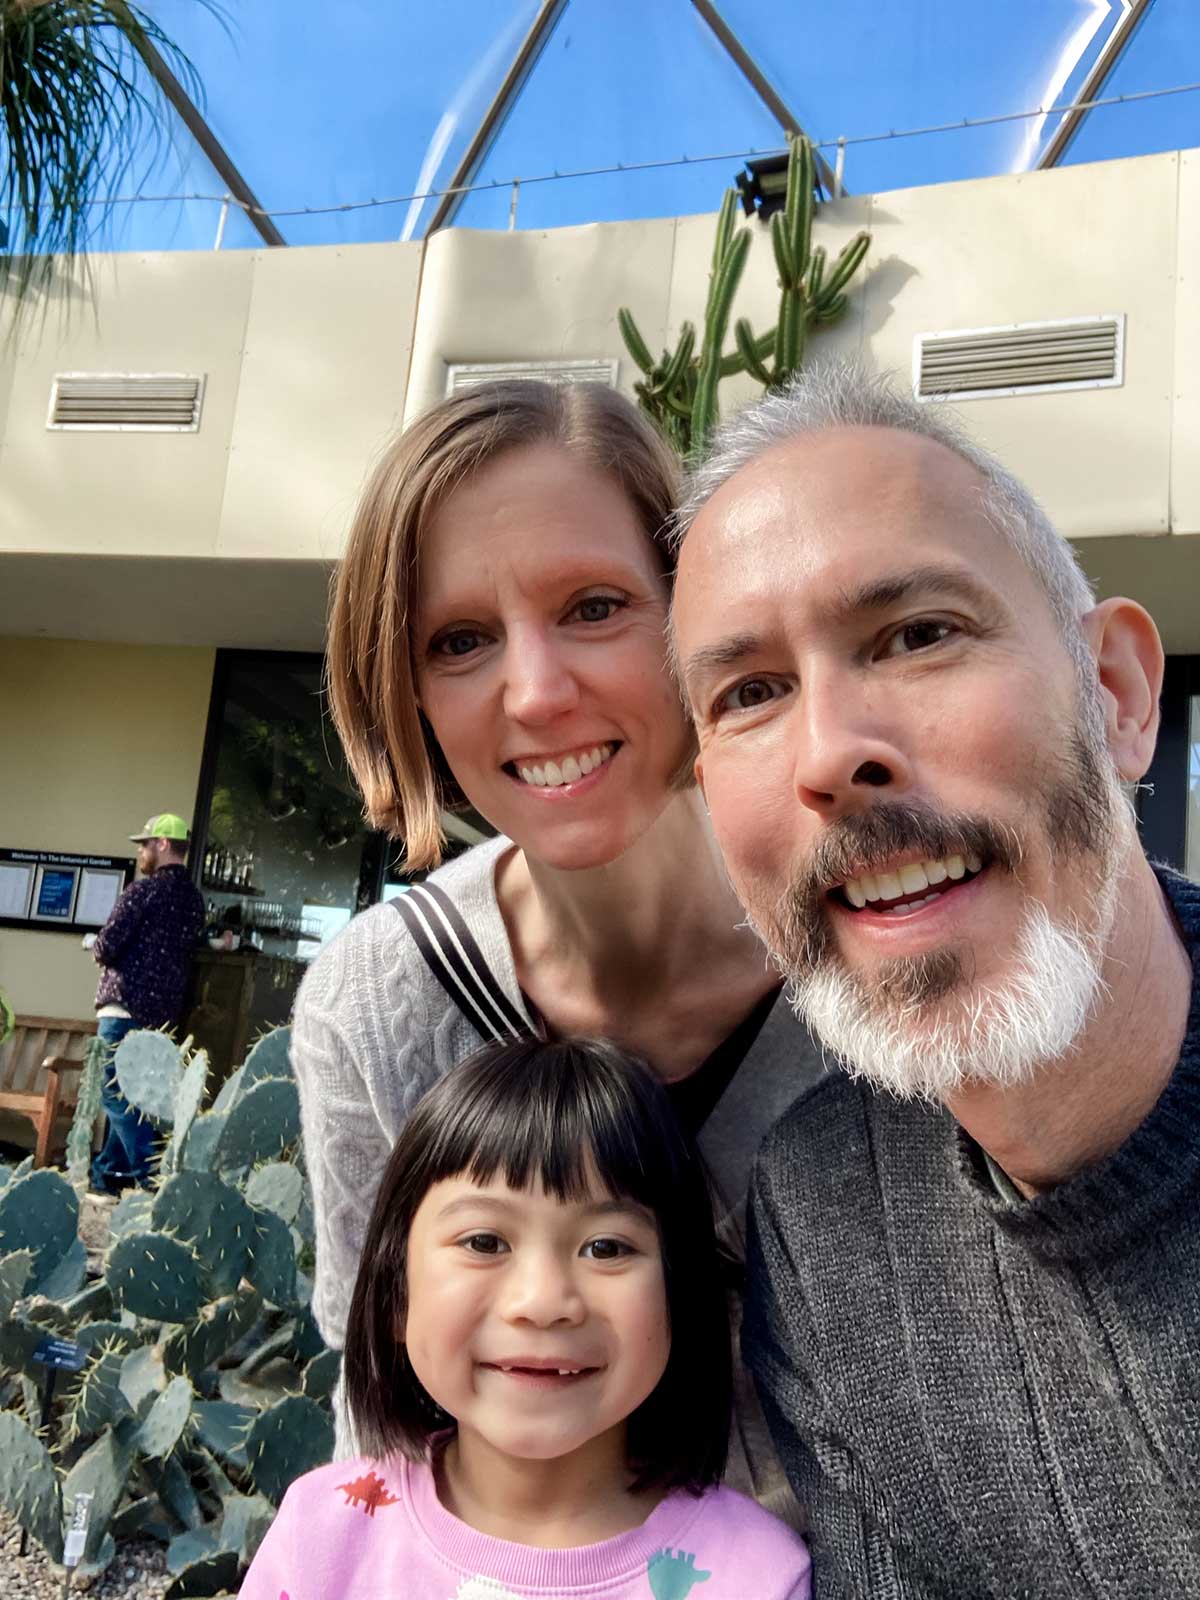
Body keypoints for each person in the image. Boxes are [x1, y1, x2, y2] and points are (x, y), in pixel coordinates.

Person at [667, 363, 1200, 1597]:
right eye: (749, 694)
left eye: (917, 634)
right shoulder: (818, 1211)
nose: (830, 752)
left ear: (1116, 696)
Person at [291, 380, 823, 1512]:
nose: (534, 694)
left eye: (592, 607)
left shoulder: (863, 942)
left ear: (693, 609)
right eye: (462, 639)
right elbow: (379, 1398)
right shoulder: (379, 1005)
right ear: (409, 690)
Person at [241, 1036, 812, 1599]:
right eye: (485, 1241)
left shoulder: (757, 1574)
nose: (541, 1302)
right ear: (396, 1294)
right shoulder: (320, 1537)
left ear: (679, 1297)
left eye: (607, 1248)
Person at [87, 812, 204, 1193]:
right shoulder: (193, 900)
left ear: (163, 844)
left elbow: (107, 946)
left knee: (114, 1093)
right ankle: (106, 1173)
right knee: (138, 1100)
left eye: (145, 844)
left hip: (122, 1009)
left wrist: (93, 943)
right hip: (162, 1019)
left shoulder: (142, 891)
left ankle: (153, 1177)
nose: (140, 851)